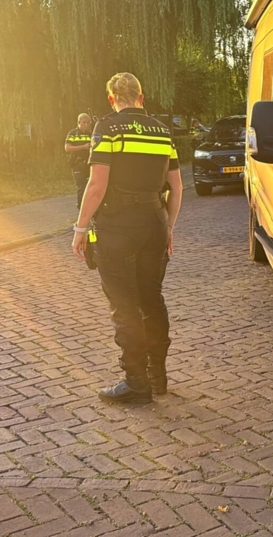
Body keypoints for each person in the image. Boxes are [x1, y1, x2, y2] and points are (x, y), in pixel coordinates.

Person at [71, 73, 183, 404]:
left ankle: (136, 383)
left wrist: (80, 229)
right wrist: (169, 227)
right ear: (141, 97)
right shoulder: (163, 131)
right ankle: (157, 376)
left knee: (124, 304)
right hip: (154, 223)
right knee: (152, 299)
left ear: (112, 99)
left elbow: (96, 185)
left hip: (117, 227)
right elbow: (176, 187)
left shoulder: (106, 127)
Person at [65, 114, 94, 208]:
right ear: (79, 122)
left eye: (88, 123)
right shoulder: (73, 133)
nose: (86, 125)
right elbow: (67, 148)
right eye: (83, 123)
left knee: (90, 186)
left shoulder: (91, 134)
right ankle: (81, 208)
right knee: (81, 187)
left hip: (89, 164)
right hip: (77, 164)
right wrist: (83, 147)